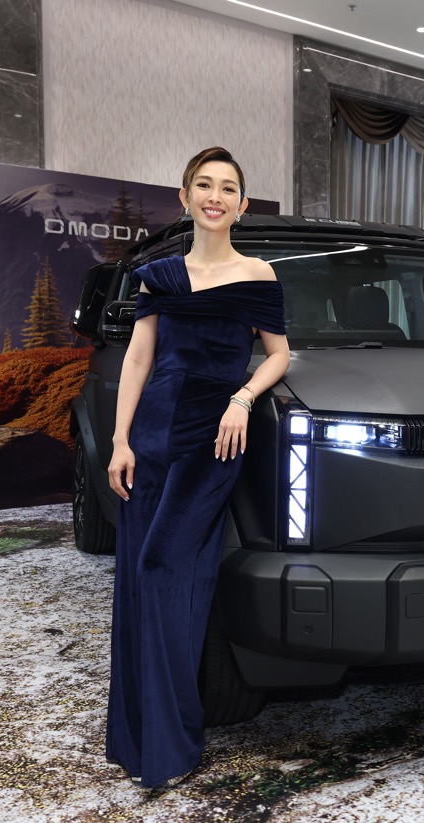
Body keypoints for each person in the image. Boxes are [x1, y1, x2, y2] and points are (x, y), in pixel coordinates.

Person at [104, 146, 290, 788]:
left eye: (227, 187)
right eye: (204, 185)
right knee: (141, 576)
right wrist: (120, 440)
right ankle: (143, 739)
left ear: (242, 204)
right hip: (151, 435)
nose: (215, 196)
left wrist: (243, 398)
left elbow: (279, 355)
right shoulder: (158, 275)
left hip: (213, 440)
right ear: (185, 198)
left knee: (163, 569)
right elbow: (138, 359)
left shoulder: (259, 274)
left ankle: (173, 739)